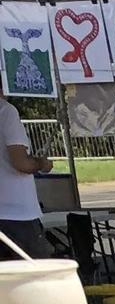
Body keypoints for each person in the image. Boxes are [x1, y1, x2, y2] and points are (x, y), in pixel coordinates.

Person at [0, 95, 49, 259]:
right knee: (33, 272)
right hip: (18, 215)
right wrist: (41, 163)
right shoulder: (6, 111)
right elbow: (21, 163)